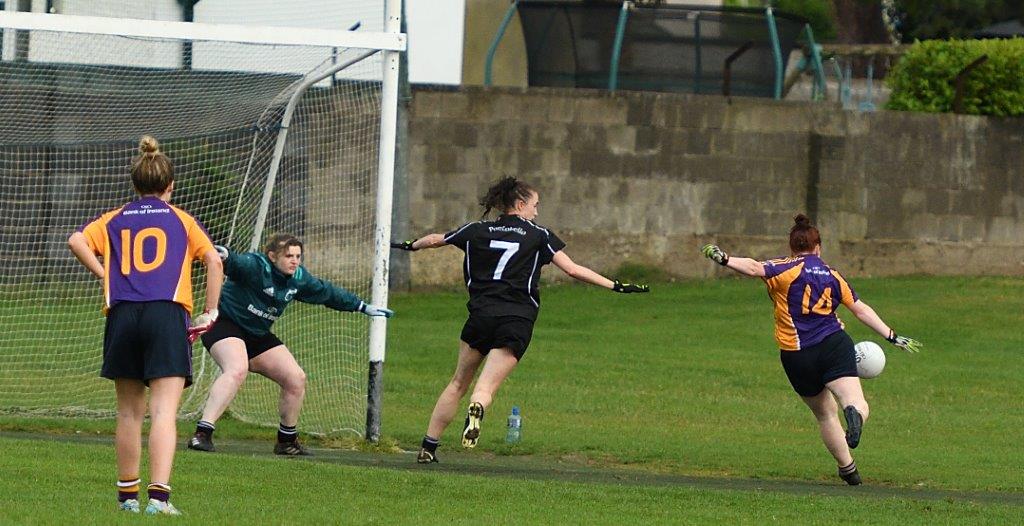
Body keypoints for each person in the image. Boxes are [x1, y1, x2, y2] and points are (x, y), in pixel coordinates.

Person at [392, 176, 650, 464]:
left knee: (457, 383)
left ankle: (428, 447)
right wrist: (615, 285)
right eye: (535, 205)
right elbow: (574, 270)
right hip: (516, 318)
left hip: (480, 316)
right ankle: (477, 407)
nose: (537, 212)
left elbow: (436, 239)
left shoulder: (476, 229)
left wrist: (410, 246)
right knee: (485, 388)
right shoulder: (539, 235)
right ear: (521, 204)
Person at [700, 214, 922, 485]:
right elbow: (860, 309)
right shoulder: (832, 274)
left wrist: (725, 259)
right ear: (818, 248)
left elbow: (754, 267)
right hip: (833, 344)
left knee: (825, 414)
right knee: (855, 402)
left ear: (792, 247)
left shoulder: (782, 269)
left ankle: (848, 469)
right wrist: (892, 336)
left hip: (796, 355)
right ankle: (855, 415)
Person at [68, 136, 223, 515]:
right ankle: (158, 499)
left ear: (134, 184)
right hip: (166, 314)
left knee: (128, 412)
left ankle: (126, 499)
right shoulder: (181, 219)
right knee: (164, 411)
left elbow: (76, 240)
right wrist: (211, 311)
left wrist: (105, 272)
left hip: (123, 315)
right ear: (170, 185)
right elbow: (215, 262)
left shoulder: (115, 217)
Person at [187, 233, 394, 455]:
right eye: (288, 256)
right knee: (237, 369)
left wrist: (361, 306)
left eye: (298, 256)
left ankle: (286, 441)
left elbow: (327, 293)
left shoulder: (299, 278)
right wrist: (225, 255)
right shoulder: (256, 266)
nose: (294, 261)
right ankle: (202, 434)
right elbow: (234, 263)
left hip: (257, 334)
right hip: (225, 324)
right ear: (272, 256)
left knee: (296, 379)